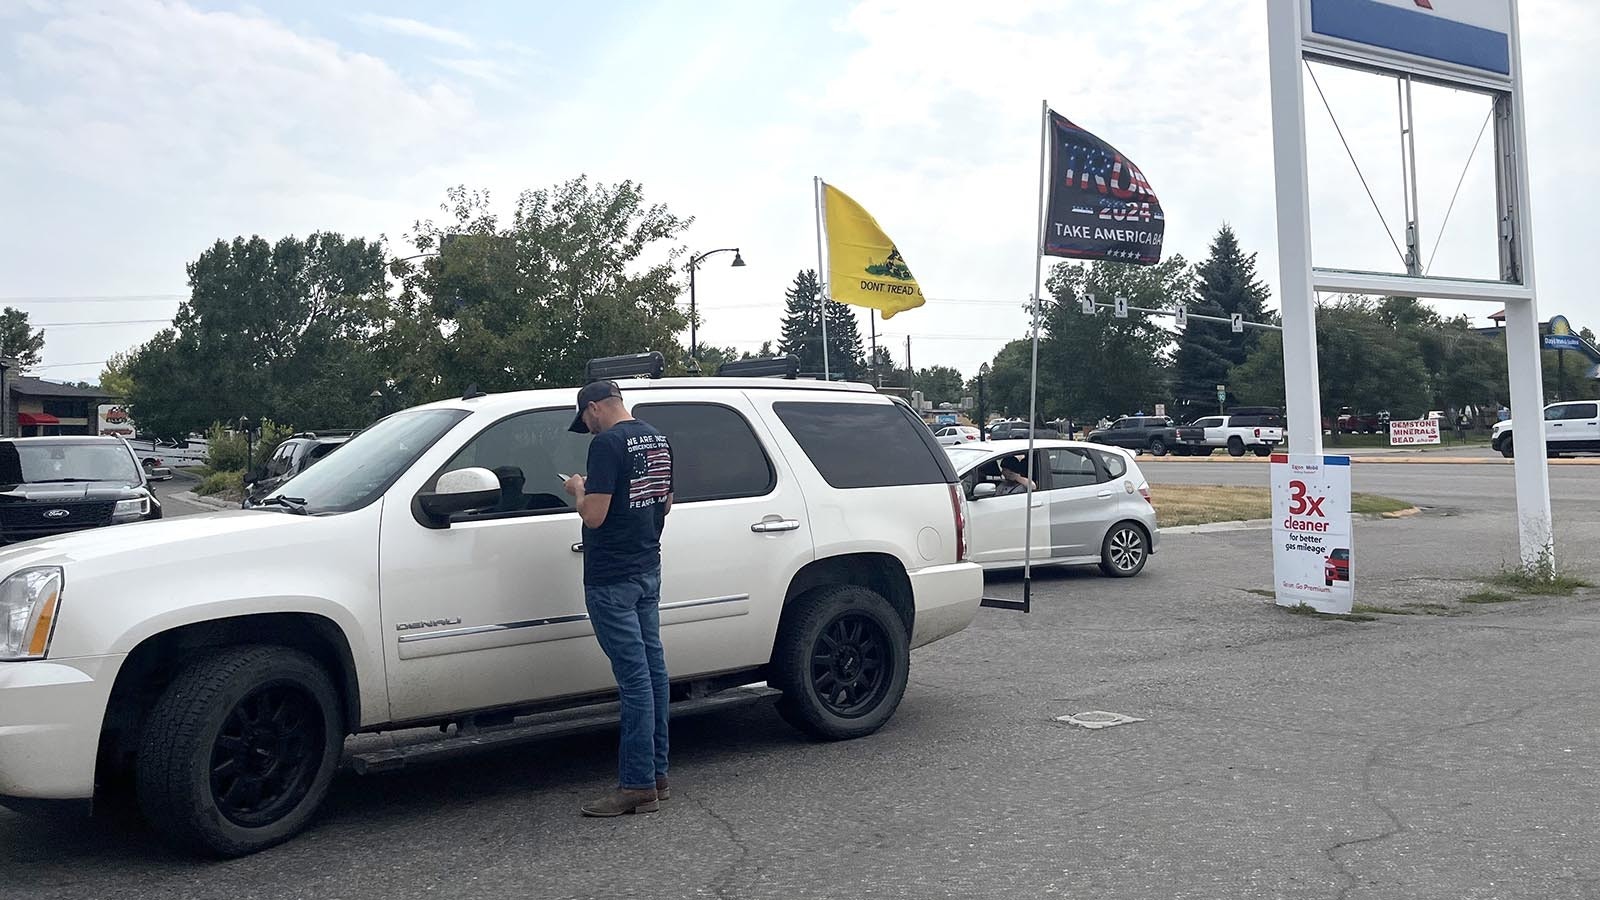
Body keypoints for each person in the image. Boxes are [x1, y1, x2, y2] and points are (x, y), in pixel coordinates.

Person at [563, 380, 674, 817]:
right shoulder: (658, 438)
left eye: (585, 421)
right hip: (648, 567)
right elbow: (664, 503)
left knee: (634, 681)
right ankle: (658, 777)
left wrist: (578, 489)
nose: (587, 429)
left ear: (594, 409)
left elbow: (594, 516)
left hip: (612, 578)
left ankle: (637, 787)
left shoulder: (607, 445)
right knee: (654, 673)